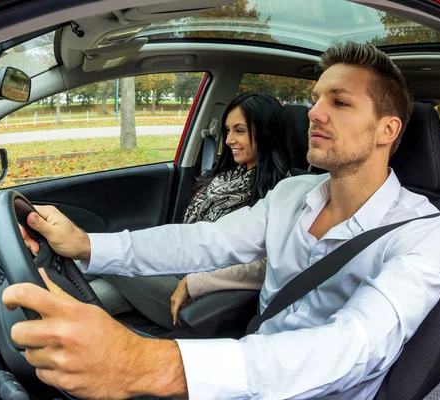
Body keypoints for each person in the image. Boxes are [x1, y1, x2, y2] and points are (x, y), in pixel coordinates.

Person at [3, 42, 440, 400]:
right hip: (241, 371)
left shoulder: (423, 233)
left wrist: (147, 363)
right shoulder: (292, 194)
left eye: (339, 102)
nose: (314, 112)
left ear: (386, 131)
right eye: (316, 98)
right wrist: (86, 245)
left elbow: (353, 346)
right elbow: (204, 241)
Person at [99, 91, 294, 331]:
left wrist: (196, 282)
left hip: (203, 294)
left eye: (239, 130)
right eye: (228, 130)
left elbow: (266, 266)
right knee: (96, 287)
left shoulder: (283, 193)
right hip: (179, 266)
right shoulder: (230, 174)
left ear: (266, 133)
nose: (229, 140)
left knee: (105, 260)